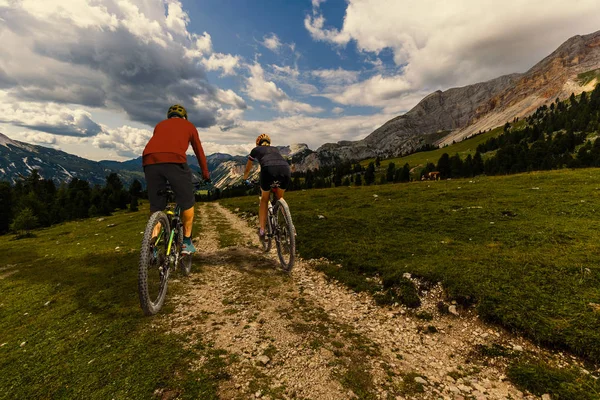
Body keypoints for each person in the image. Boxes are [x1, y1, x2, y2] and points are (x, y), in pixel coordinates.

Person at [142, 104, 210, 254]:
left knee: (156, 207)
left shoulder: (159, 125)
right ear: (184, 117)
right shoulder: (189, 126)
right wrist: (205, 174)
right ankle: (186, 242)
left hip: (149, 161)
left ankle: (151, 246)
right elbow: (199, 151)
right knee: (187, 202)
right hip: (175, 161)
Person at [242, 133, 291, 241]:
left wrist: (245, 179)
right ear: (269, 143)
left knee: (264, 199)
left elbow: (247, 168)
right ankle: (291, 227)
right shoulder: (275, 149)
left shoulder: (255, 150)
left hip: (268, 170)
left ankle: (262, 230)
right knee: (280, 198)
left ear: (258, 143)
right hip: (285, 169)